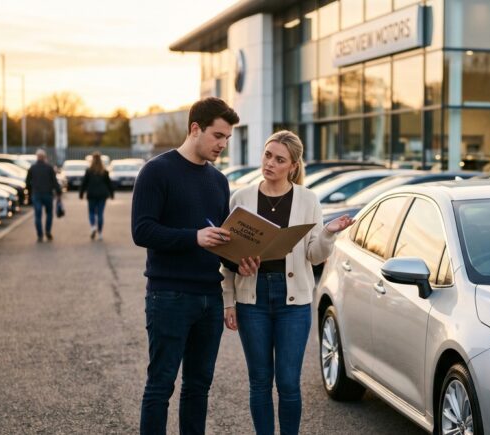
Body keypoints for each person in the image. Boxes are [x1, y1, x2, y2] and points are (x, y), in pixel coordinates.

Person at [131, 97, 254, 435]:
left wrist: (239, 260)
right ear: (195, 128)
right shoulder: (156, 171)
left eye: (227, 138)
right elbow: (141, 231)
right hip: (169, 295)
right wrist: (193, 238)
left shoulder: (218, 181)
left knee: (198, 387)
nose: (223, 145)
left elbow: (218, 239)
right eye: (218, 136)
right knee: (161, 385)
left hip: (209, 298)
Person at [221, 130, 354, 435]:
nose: (269, 163)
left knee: (288, 382)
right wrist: (228, 300)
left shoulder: (307, 199)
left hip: (293, 301)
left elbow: (314, 255)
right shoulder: (241, 198)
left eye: (279, 159)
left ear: (292, 166)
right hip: (251, 298)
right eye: (268, 155)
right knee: (259, 380)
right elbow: (228, 256)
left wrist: (328, 233)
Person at [25, 149, 62, 242]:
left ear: (37, 157)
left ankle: (40, 235)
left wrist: (30, 192)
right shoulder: (49, 168)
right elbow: (54, 182)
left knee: (38, 215)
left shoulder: (32, 168)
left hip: (36, 194)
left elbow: (27, 182)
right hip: (47, 194)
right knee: (49, 214)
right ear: (44, 157)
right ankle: (48, 231)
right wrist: (58, 192)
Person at [79, 152, 114, 241]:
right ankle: (100, 233)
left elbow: (84, 183)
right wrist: (112, 194)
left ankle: (93, 227)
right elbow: (109, 184)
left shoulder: (88, 171)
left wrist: (81, 193)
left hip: (91, 194)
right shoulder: (104, 171)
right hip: (102, 195)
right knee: (100, 213)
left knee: (91, 212)